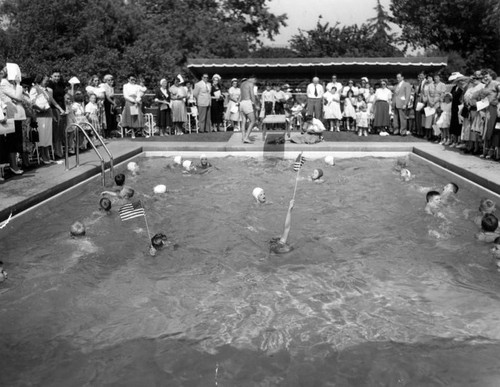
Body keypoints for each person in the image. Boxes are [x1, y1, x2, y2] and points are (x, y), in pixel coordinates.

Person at [30, 75, 64, 164]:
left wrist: (60, 109)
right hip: (40, 115)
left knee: (47, 136)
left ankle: (47, 156)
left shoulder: (47, 90)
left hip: (48, 115)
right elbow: (32, 102)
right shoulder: (35, 89)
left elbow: (52, 101)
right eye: (45, 80)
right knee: (42, 136)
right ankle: (43, 156)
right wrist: (40, 109)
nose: (47, 81)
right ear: (40, 80)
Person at [47, 70, 66, 158]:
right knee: (56, 130)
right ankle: (56, 150)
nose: (57, 78)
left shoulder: (61, 83)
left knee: (61, 130)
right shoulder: (50, 84)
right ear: (51, 76)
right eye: (55, 76)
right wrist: (59, 108)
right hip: (55, 108)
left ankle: (60, 149)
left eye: (58, 76)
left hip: (62, 108)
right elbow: (51, 98)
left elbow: (64, 96)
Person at [121, 74, 146, 139]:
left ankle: (142, 131)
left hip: (136, 101)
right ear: (128, 79)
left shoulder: (137, 86)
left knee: (139, 116)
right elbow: (125, 96)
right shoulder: (125, 86)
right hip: (130, 101)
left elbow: (139, 94)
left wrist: (137, 100)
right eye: (132, 79)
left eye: (134, 79)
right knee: (132, 117)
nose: (133, 81)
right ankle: (132, 132)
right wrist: (133, 100)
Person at [239, 76, 258, 143]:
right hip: (247, 102)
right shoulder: (250, 84)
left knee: (243, 121)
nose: (255, 83)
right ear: (253, 79)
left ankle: (243, 136)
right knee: (253, 121)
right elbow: (252, 95)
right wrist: (256, 105)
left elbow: (241, 95)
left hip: (241, 103)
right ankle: (246, 137)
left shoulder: (242, 84)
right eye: (255, 81)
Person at [100, 74, 116, 138]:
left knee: (112, 117)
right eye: (109, 80)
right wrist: (113, 103)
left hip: (111, 102)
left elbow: (113, 95)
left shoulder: (111, 86)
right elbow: (107, 96)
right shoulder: (104, 86)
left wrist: (114, 102)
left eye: (111, 80)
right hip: (107, 102)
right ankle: (107, 133)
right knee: (107, 117)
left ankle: (111, 132)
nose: (110, 81)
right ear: (106, 80)